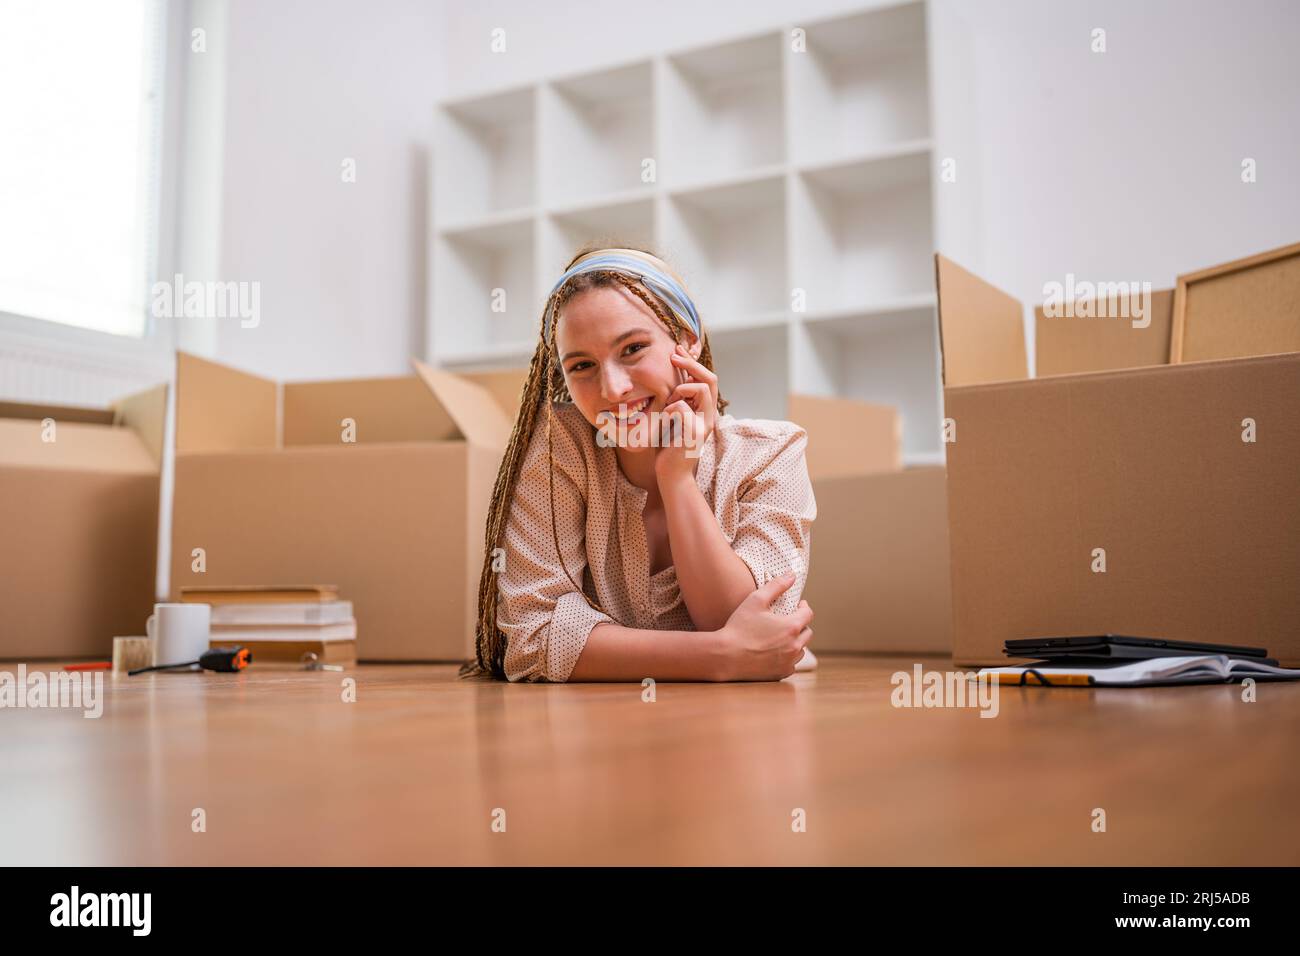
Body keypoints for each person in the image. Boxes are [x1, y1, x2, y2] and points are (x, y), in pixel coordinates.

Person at [459, 244, 817, 682]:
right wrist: (718, 655)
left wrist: (677, 479)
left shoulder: (770, 453)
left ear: (687, 340)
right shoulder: (562, 445)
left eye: (632, 349)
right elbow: (533, 637)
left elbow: (761, 631)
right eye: (583, 365)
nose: (612, 389)